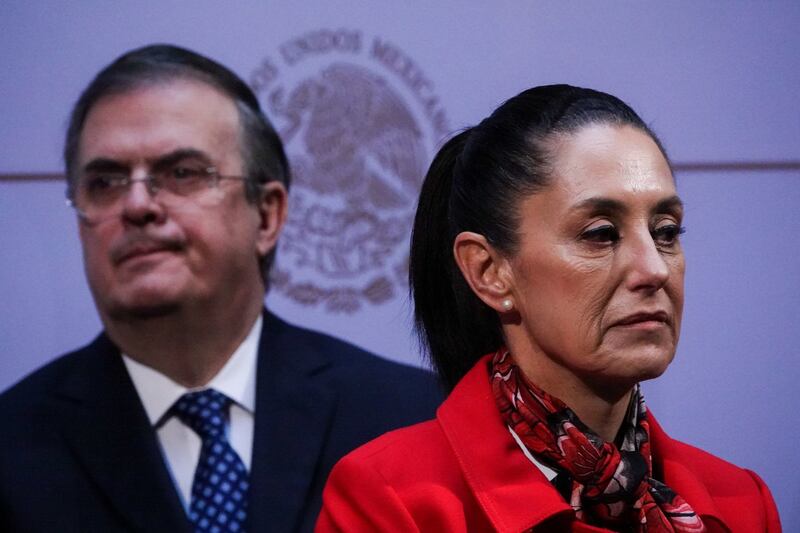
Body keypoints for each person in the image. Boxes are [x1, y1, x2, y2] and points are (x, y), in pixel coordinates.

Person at [0, 44, 441, 533]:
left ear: (268, 215)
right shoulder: (12, 447)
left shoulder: (413, 420)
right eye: (105, 182)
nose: (137, 204)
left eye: (182, 173)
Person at [317, 84, 781, 532]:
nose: (654, 269)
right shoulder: (394, 500)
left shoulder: (740, 501)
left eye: (666, 231)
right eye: (601, 233)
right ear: (489, 272)